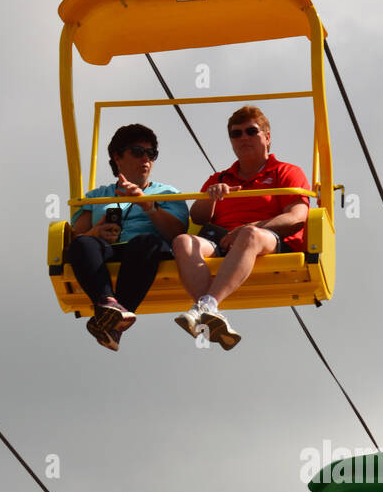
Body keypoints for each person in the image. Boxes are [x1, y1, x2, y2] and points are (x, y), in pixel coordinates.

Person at [173, 105, 311, 351]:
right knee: (183, 241)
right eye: (236, 134)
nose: (243, 138)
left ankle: (207, 305)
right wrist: (211, 198)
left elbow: (297, 217)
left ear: (267, 137)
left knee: (249, 235)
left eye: (251, 131)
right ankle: (208, 310)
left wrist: (251, 228)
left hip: (268, 238)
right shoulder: (221, 178)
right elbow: (197, 216)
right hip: (222, 239)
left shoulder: (285, 172)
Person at [67, 124, 189, 350]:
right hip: (106, 251)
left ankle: (110, 317)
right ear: (117, 156)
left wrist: (148, 206)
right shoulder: (97, 196)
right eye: (137, 151)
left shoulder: (168, 194)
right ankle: (109, 305)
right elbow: (76, 238)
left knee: (147, 243)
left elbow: (177, 233)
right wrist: (95, 233)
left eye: (151, 154)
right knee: (84, 243)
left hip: (143, 253)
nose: (146, 159)